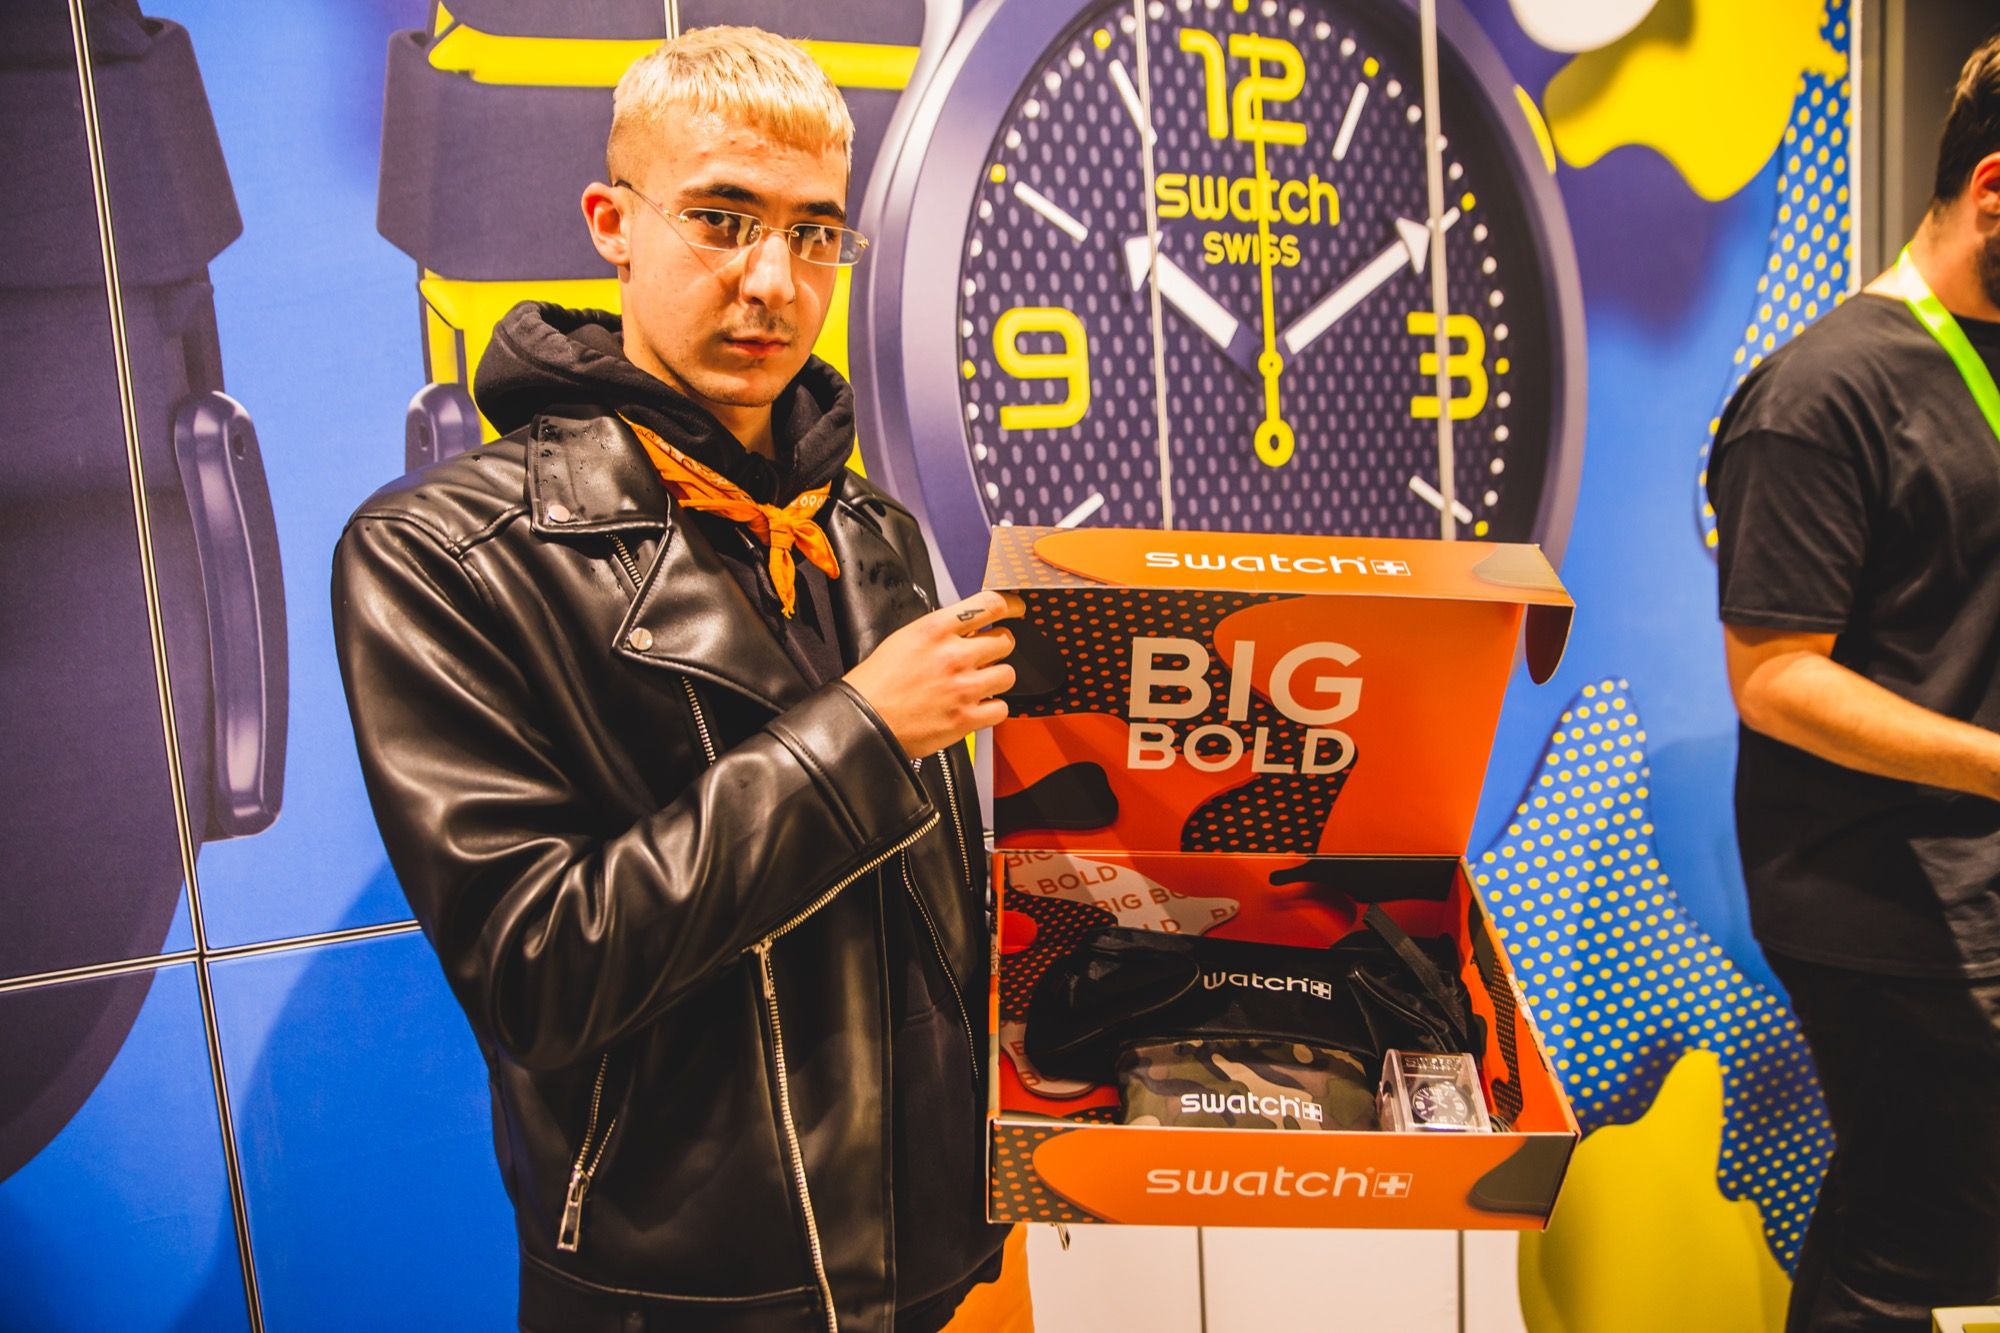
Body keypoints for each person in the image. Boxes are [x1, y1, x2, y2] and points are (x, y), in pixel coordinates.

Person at [332, 27, 1021, 1332]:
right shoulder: (441, 554)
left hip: (945, 1261)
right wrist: (863, 733)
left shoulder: (864, 529)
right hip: (682, 1292)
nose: (773, 280)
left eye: (815, 234)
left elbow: (932, 917)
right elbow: (538, 970)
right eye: (721, 219)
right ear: (613, 223)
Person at [1707, 32, 2000, 1333]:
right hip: (1891, 898)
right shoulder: (1821, 395)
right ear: (1992, 189)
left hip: (1974, 876)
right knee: (1933, 1248)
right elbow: (1777, 679)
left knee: (1915, 1218)